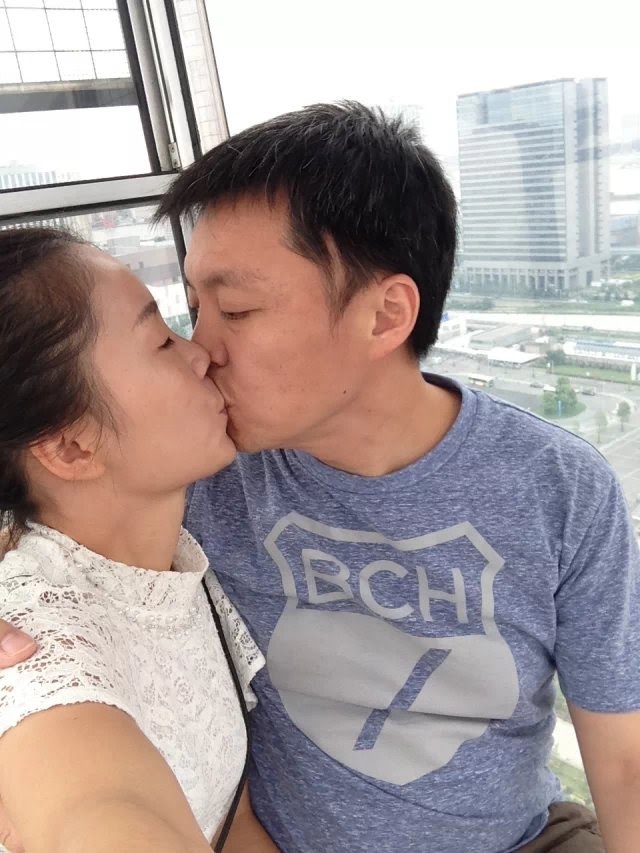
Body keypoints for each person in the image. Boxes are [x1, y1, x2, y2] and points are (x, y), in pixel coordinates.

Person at [2, 102, 640, 852]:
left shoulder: (559, 488)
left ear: (385, 316)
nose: (202, 348)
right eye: (194, 308)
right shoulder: (201, 470)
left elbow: (623, 763)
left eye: (236, 309)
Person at [0, 228, 276, 853]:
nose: (201, 353)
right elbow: (93, 808)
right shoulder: (36, 646)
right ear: (72, 447)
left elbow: (230, 817)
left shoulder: (172, 564)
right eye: (161, 341)